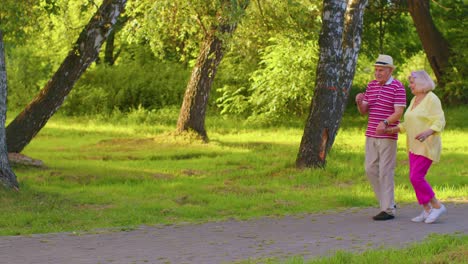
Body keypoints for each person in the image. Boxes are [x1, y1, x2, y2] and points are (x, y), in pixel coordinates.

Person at [380, 70, 446, 224]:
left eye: (412, 83)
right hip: (413, 146)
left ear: (422, 83)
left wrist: (427, 132)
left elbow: (440, 121)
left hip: (426, 145)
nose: (410, 86)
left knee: (416, 177)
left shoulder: (432, 99)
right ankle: (427, 209)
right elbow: (408, 123)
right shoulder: (415, 99)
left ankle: (437, 206)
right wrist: (393, 129)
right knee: (415, 179)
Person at [355, 54, 407, 221]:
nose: (377, 73)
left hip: (387, 135)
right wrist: (359, 102)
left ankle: (388, 209)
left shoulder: (398, 87)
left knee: (386, 170)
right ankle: (388, 202)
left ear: (390, 70)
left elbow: (399, 111)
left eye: (381, 70)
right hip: (371, 134)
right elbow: (364, 111)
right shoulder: (371, 85)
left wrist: (385, 123)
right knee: (370, 169)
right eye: (376, 70)